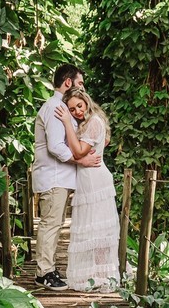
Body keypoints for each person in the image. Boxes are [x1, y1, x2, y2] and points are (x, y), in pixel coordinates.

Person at [32, 64, 101, 290]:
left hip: (59, 177)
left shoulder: (62, 107)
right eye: (80, 83)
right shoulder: (55, 107)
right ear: (68, 82)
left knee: (55, 223)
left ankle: (48, 268)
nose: (83, 88)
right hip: (53, 177)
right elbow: (55, 146)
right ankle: (44, 272)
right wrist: (81, 160)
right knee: (50, 224)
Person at [54, 87, 120, 292]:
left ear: (86, 101)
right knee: (92, 230)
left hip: (96, 181)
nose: (77, 112)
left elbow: (78, 151)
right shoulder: (87, 123)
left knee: (98, 230)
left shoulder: (94, 122)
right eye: (72, 110)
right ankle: (95, 274)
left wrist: (67, 122)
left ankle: (101, 276)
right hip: (87, 180)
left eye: (79, 106)